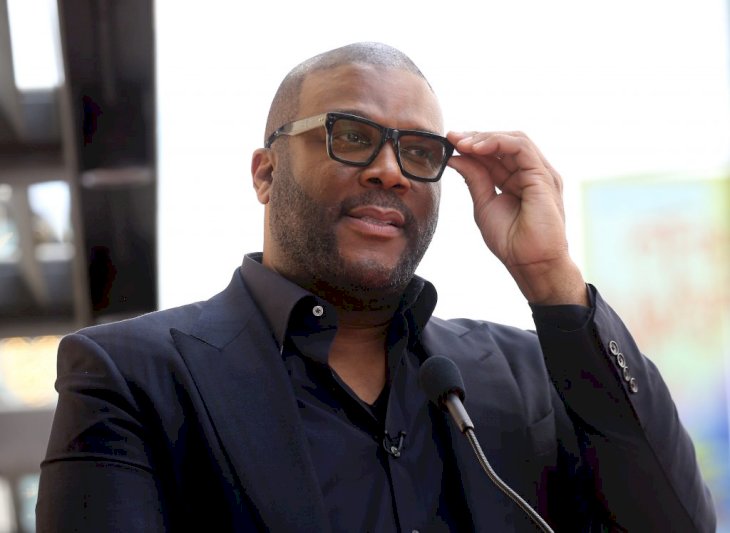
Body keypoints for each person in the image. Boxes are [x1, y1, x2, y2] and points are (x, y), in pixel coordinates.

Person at [36, 42, 715, 532]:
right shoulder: (133, 377)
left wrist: (551, 278)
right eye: (351, 135)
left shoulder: (528, 375)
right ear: (265, 174)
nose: (390, 170)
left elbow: (676, 519)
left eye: (420, 151)